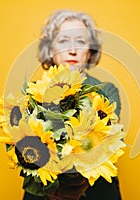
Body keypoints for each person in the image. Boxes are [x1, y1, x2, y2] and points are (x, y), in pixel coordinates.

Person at [23, 9, 122, 200]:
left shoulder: (107, 91)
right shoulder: (32, 92)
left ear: (90, 51)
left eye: (81, 41)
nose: (73, 49)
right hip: (43, 188)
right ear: (50, 50)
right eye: (63, 41)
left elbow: (106, 139)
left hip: (97, 190)